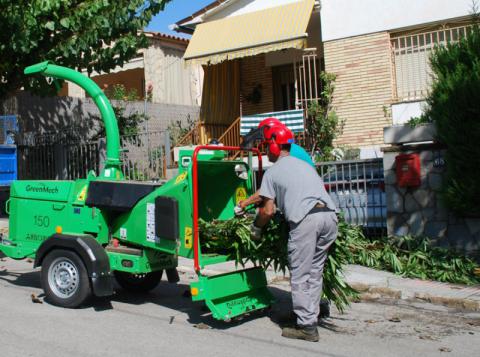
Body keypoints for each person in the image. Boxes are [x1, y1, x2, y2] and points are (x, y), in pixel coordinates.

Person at [248, 126, 338, 342]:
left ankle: (306, 327)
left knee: (300, 274)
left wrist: (256, 228)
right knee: (315, 271)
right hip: (330, 217)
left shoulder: (273, 171)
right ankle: (308, 315)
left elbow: (267, 210)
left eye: (267, 146)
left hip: (307, 221)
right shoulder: (303, 165)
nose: (266, 151)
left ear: (274, 146)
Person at [235, 118, 315, 212]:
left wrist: (243, 204)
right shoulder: (291, 149)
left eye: (267, 144)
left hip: (305, 205)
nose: (266, 149)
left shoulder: (288, 154)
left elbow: (265, 191)